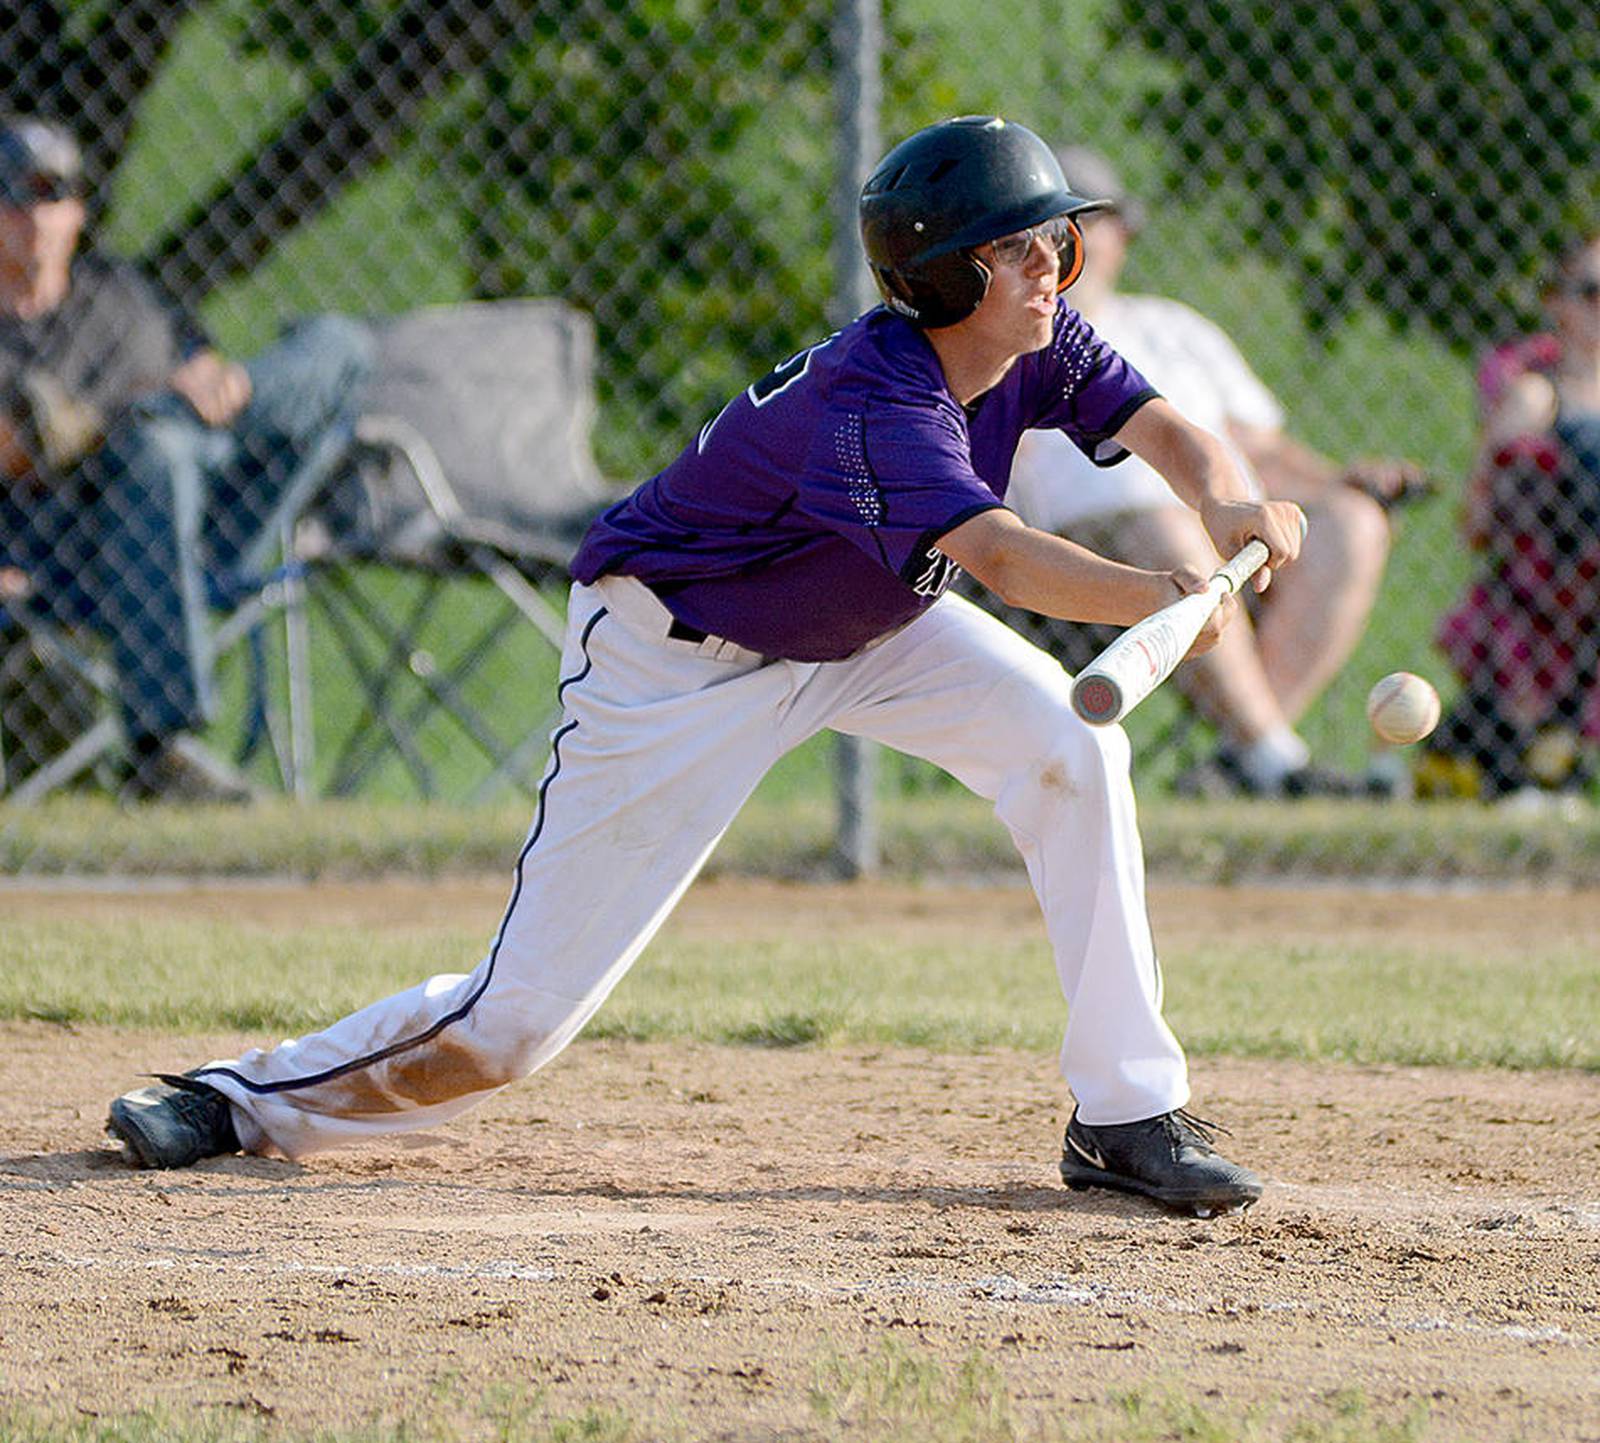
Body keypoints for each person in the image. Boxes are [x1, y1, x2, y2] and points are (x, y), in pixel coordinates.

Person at [106, 116, 1307, 1218]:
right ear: (944, 277)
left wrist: (1228, 502)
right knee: (512, 1027)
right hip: (677, 661)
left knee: (1069, 747)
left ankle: (1125, 1115)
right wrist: (1154, 599)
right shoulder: (876, 400)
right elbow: (998, 556)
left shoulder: (1035, 337)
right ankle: (234, 1101)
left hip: (868, 627)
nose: (1051, 266)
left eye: (1057, 241)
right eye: (1019, 248)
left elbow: (1161, 427)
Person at [1007, 147, 1427, 798]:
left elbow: (1261, 452)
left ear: (1123, 235)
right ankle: (1276, 764)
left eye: (1091, 220)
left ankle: (1253, 759)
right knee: (1167, 528)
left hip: (1228, 542)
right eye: (1054, 224)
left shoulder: (1176, 329)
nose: (1070, 240)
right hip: (1097, 554)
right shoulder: (1010, 341)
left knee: (1354, 522)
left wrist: (1342, 484)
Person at [0, 114, 373, 800]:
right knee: (152, 449)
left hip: (211, 505)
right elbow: (19, 449)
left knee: (340, 347)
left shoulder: (118, 289)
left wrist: (217, 380)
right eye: (18, 197)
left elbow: (194, 353)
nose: (37, 217)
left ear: (78, 210)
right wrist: (133, 418)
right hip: (88, 550)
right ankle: (161, 749)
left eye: (55, 194)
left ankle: (186, 409)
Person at [1421, 227, 1600, 805]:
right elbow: (1481, 515)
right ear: (1557, 302)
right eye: (1591, 291)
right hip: (1564, 569)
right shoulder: (1536, 390)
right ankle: (1521, 753)